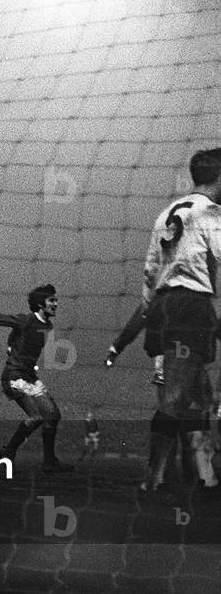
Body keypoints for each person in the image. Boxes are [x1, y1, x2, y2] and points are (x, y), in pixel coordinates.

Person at [140, 147, 221, 499]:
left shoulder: (167, 213)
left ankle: (205, 475)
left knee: (200, 395)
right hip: (190, 306)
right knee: (175, 398)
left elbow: (150, 269)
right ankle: (153, 477)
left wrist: (151, 312)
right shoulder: (210, 212)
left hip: (163, 305)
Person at [0, 284, 73, 473]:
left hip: (29, 376)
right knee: (36, 416)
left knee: (53, 415)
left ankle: (48, 462)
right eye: (52, 300)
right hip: (14, 376)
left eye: (56, 300)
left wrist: (11, 345)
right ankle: (9, 451)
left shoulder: (47, 326)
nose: (56, 304)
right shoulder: (26, 321)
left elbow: (18, 340)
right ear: (40, 304)